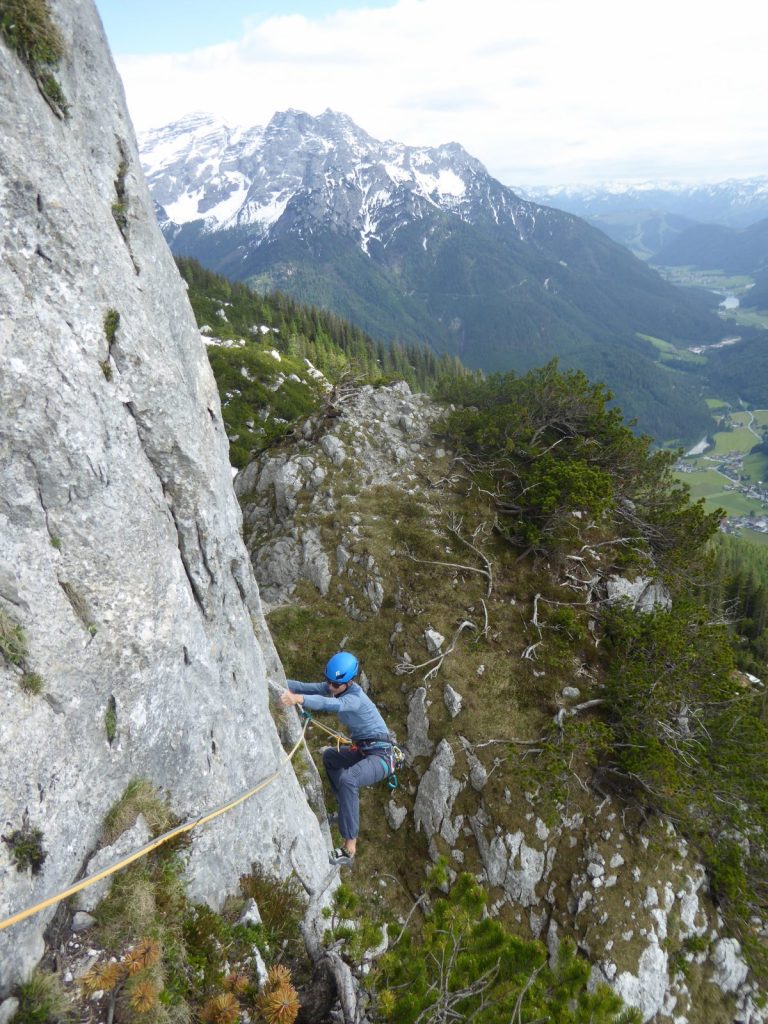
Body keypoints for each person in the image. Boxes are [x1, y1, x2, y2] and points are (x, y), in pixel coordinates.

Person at [279, 651, 393, 867]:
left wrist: (297, 699)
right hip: (363, 750)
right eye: (329, 682)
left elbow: (329, 704)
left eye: (335, 684)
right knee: (331, 757)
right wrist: (276, 679)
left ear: (348, 682)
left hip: (382, 756)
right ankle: (344, 811)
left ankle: (350, 848)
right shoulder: (336, 687)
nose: (330, 687)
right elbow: (306, 686)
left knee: (349, 779)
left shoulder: (354, 698)